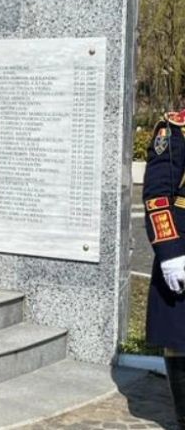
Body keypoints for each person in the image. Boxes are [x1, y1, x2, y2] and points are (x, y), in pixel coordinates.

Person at [142, 109, 185, 429]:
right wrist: (170, 253)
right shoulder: (175, 130)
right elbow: (157, 195)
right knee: (180, 336)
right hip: (183, 249)